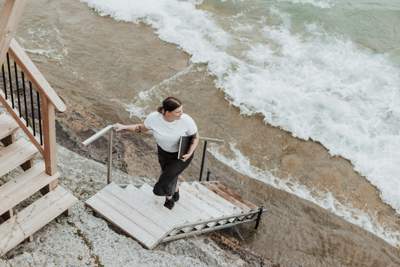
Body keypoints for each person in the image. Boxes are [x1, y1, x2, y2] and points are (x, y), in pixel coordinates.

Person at [114, 96, 199, 209]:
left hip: (182, 155)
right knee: (170, 175)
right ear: (167, 112)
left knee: (165, 178)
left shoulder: (186, 120)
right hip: (164, 152)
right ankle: (175, 191)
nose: (181, 113)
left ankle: (168, 199)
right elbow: (140, 128)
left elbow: (195, 137)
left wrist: (190, 152)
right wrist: (124, 127)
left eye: (182, 110)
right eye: (178, 111)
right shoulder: (154, 118)